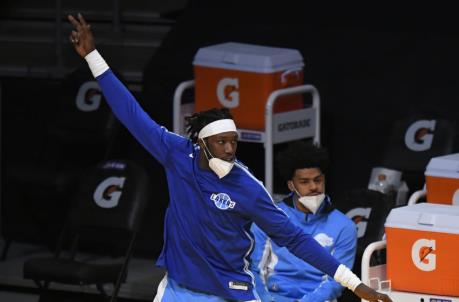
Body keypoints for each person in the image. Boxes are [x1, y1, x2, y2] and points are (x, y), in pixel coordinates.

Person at [67, 13, 392, 302]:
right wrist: (94, 57)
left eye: (233, 142)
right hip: (178, 290)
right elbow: (130, 113)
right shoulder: (176, 153)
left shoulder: (246, 186)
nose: (229, 149)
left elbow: (294, 238)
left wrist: (353, 283)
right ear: (202, 143)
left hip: (230, 292)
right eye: (221, 142)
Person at [251, 141, 357, 302]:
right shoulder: (269, 218)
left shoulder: (345, 226)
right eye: (305, 182)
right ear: (291, 185)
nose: (314, 187)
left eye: (318, 180)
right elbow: (254, 270)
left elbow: (337, 282)